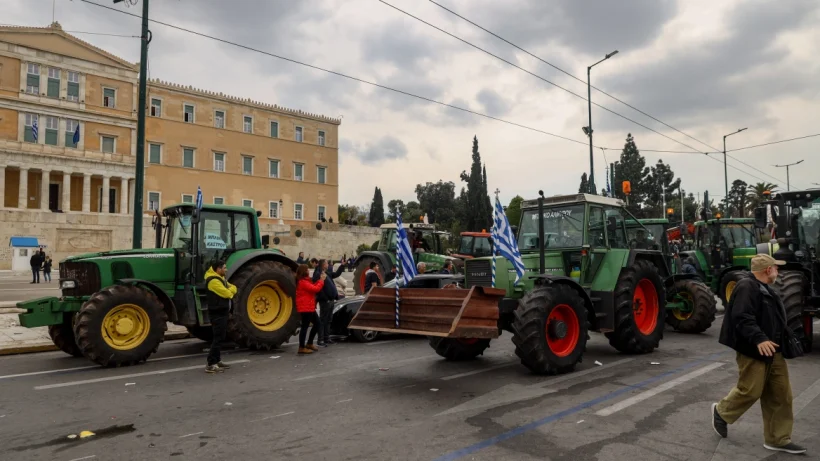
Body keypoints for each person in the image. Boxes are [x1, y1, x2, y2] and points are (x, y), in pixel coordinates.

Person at [712, 254, 806, 455]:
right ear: (768, 270)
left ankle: (777, 439)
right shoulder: (746, 286)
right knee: (751, 390)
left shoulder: (766, 289)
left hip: (774, 350)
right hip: (753, 350)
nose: (778, 271)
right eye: (776, 268)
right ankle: (721, 411)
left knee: (781, 395)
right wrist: (759, 338)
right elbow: (741, 316)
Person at [204, 260, 237, 373]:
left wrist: (230, 290)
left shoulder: (220, 279)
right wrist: (230, 291)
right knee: (218, 338)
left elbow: (234, 287)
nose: (226, 270)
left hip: (222, 312)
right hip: (217, 313)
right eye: (224, 268)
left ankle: (217, 360)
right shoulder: (213, 281)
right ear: (218, 269)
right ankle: (211, 364)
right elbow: (228, 293)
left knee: (221, 337)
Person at [313, 259, 345, 346]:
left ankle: (327, 338)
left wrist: (342, 265)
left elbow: (336, 274)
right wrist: (325, 298)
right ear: (323, 265)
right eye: (327, 263)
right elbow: (318, 289)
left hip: (330, 300)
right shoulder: (318, 274)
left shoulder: (327, 273)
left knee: (328, 320)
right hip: (325, 301)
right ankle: (320, 340)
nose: (328, 264)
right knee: (323, 320)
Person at [296, 264, 325, 355]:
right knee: (305, 327)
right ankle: (301, 347)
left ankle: (309, 343)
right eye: (307, 269)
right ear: (304, 271)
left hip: (309, 307)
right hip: (306, 308)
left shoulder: (304, 281)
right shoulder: (303, 282)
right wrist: (321, 281)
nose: (309, 271)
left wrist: (319, 280)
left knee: (317, 324)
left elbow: (312, 287)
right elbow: (315, 289)